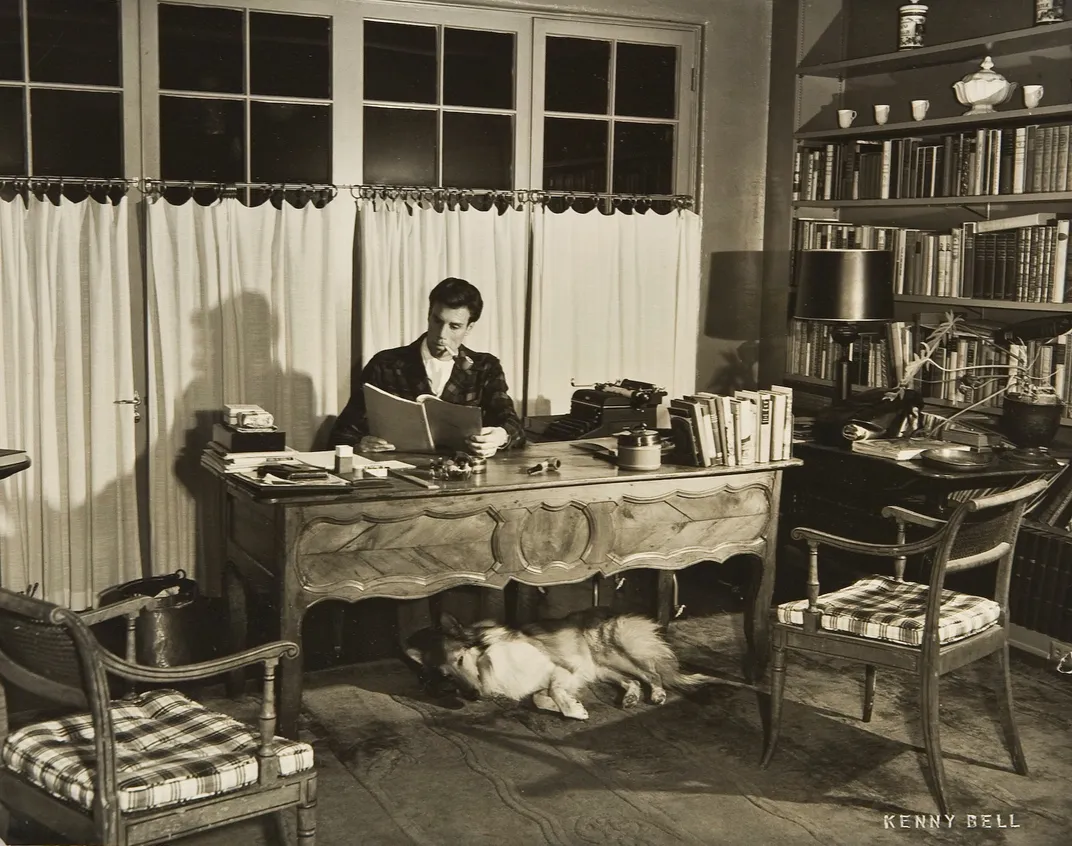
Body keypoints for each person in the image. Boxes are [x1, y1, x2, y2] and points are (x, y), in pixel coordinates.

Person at [328, 277, 525, 457]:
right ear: (429, 316)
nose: (441, 334)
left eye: (454, 326)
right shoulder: (385, 363)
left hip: (461, 479)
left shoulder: (485, 367)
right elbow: (342, 433)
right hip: (399, 478)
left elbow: (513, 425)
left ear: (469, 328)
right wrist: (358, 445)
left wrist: (501, 436)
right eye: (437, 321)